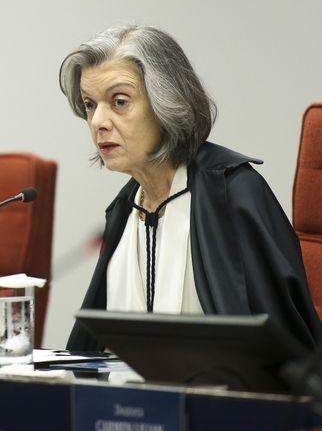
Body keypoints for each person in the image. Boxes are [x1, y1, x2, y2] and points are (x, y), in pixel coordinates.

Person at [59, 25, 321, 351]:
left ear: (167, 101)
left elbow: (285, 357)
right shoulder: (126, 207)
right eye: (89, 105)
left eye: (119, 102)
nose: (98, 121)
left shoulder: (233, 194)